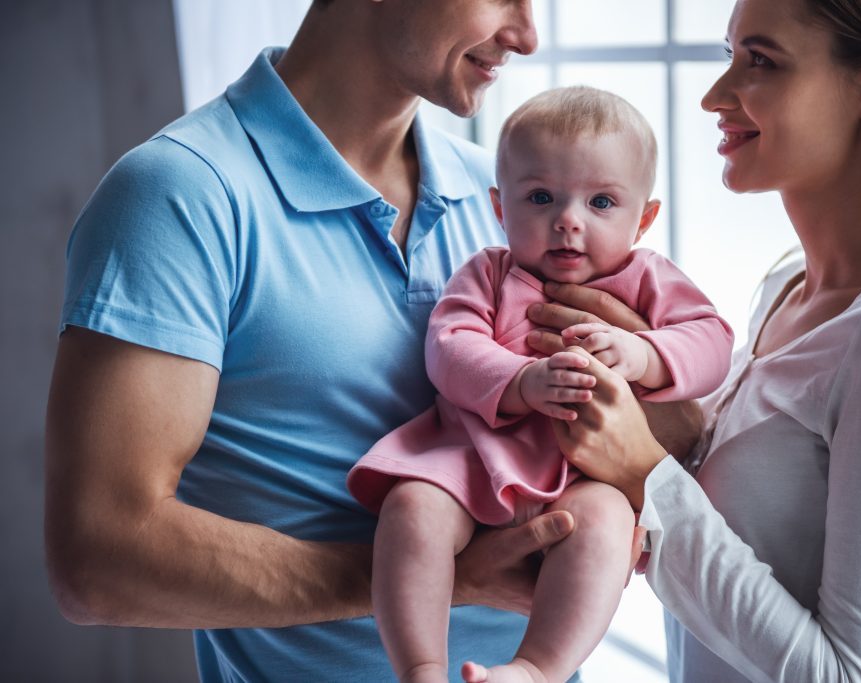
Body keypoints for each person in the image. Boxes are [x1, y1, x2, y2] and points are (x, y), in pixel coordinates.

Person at [42, 2, 670, 681]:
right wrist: (436, 575)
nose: (525, 34)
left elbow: (668, 440)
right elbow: (98, 560)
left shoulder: (522, 202)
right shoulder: (180, 195)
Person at [523, 0, 861, 681]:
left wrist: (647, 474)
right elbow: (754, 525)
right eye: (728, 55)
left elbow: (850, 674)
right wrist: (670, 420)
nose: (713, 96)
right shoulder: (787, 289)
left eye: (760, 62)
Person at [347, 86, 734, 683]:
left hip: (583, 477)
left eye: (601, 201)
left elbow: (711, 341)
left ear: (644, 218)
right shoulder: (488, 273)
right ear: (501, 209)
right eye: (541, 198)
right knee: (411, 509)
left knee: (607, 527)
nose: (568, 221)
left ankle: (537, 669)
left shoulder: (647, 277)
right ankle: (421, 667)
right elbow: (449, 346)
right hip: (471, 460)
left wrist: (643, 352)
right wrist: (523, 381)